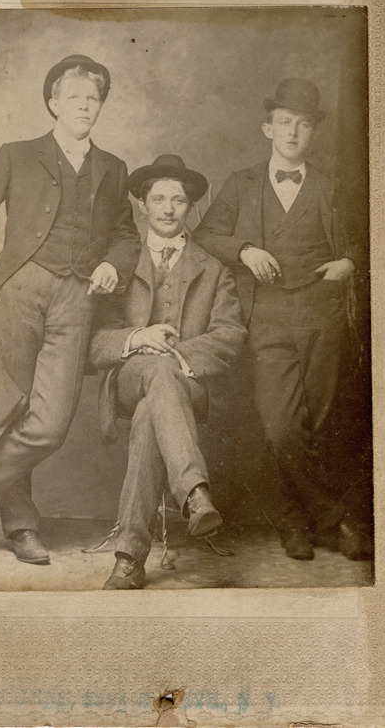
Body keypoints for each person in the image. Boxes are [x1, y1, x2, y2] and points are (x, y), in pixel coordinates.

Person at [0, 54, 140, 565]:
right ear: (53, 103)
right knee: (7, 409)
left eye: (93, 98)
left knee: (50, 423)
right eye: (75, 97)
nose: (85, 105)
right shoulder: (16, 155)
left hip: (77, 299)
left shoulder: (113, 168)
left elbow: (126, 235)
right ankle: (21, 526)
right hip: (18, 291)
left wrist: (112, 264)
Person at [194, 78, 371, 561]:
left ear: (313, 132)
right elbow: (206, 234)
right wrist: (245, 250)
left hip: (322, 315)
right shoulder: (241, 183)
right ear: (267, 128)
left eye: (304, 124)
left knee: (321, 423)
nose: (293, 132)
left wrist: (349, 263)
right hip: (266, 319)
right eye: (285, 122)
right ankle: (329, 519)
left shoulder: (331, 186)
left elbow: (363, 241)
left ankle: (296, 523)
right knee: (281, 427)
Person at [89, 155, 247, 589]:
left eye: (178, 200)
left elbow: (230, 335)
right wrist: (139, 336)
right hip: (129, 377)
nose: (168, 208)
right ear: (142, 205)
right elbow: (94, 341)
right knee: (155, 375)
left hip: (187, 380)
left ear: (191, 206)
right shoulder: (120, 263)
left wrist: (176, 353)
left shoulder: (213, 268)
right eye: (158, 199)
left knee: (149, 415)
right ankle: (194, 492)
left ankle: (129, 557)